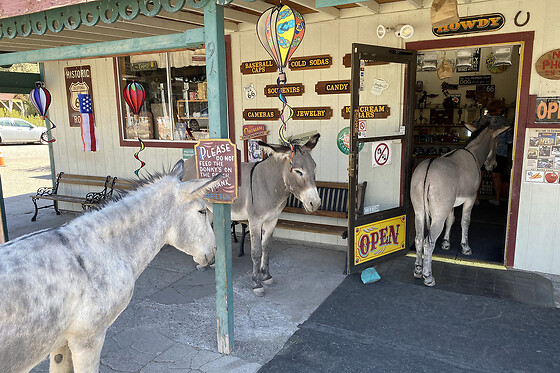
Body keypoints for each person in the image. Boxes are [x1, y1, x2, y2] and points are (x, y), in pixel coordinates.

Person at [474, 99, 513, 206]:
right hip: (499, 151)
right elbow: (509, 140)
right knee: (496, 175)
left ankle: (476, 198)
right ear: (498, 109)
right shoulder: (504, 122)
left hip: (482, 150)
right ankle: (496, 199)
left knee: (479, 175)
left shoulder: (481, 119)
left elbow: (473, 134)